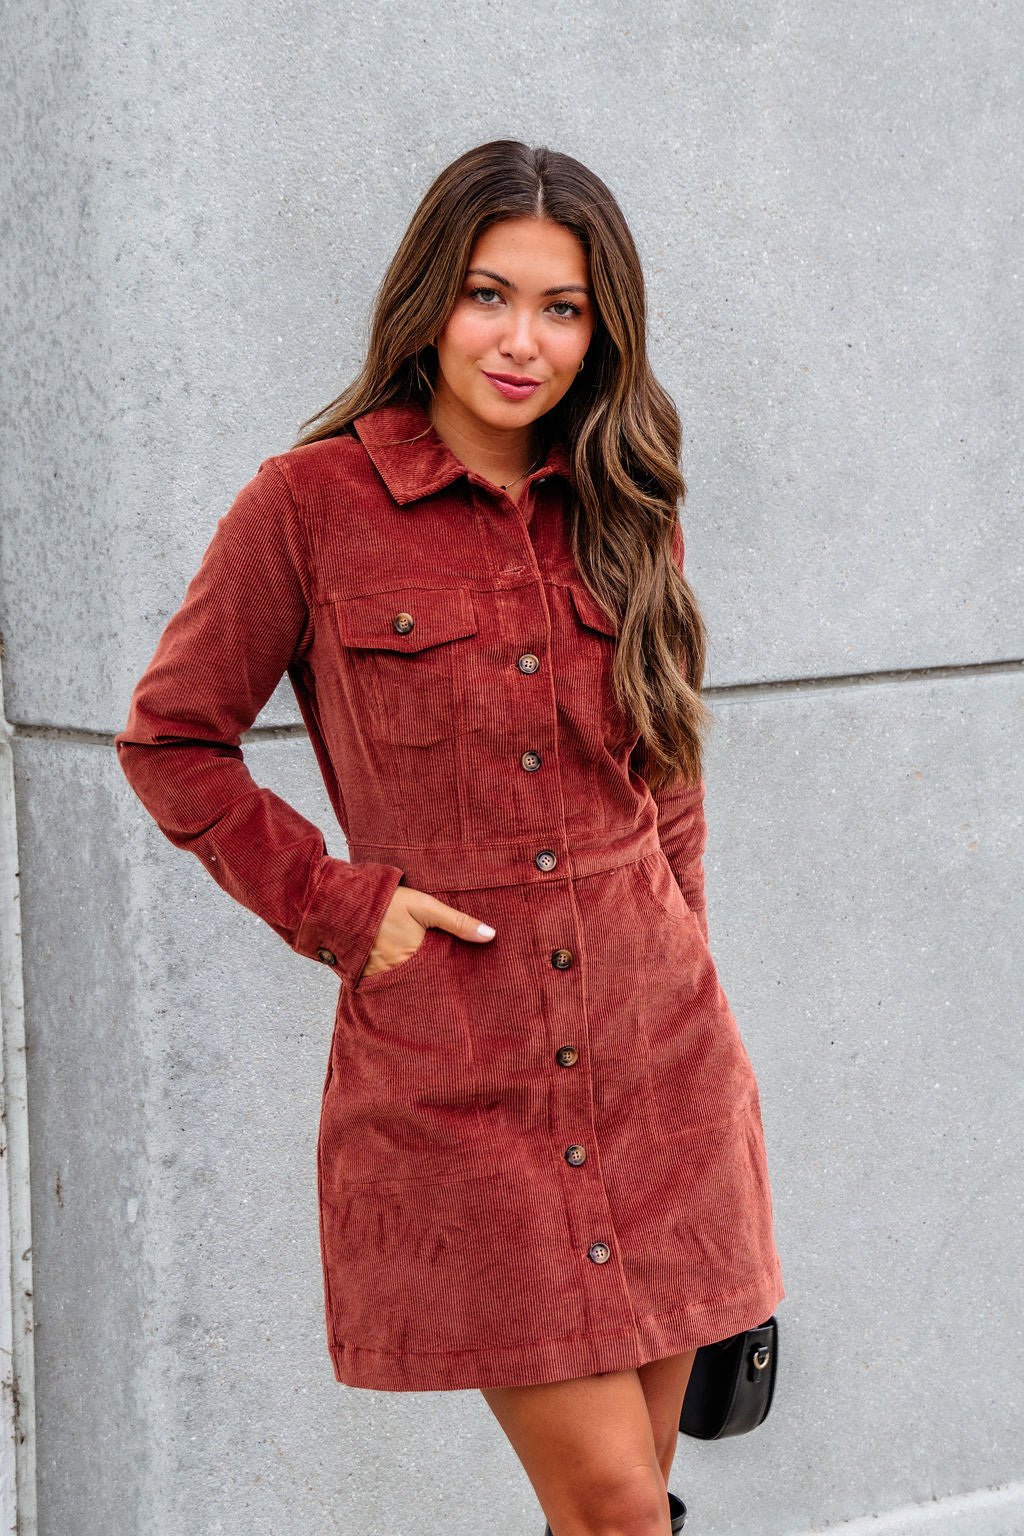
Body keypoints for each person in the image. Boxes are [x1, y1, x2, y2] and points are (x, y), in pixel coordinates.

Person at [115, 139, 785, 1536]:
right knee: (611, 1502)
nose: (522, 340)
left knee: (619, 1513)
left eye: (563, 307)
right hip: (460, 1082)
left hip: (661, 1061)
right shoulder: (304, 508)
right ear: (431, 299)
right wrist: (349, 910)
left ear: (602, 332)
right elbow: (172, 741)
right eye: (491, 295)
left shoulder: (627, 506)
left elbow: (669, 786)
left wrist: (690, 977)